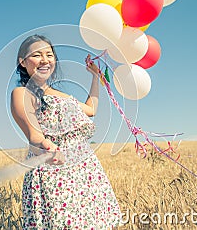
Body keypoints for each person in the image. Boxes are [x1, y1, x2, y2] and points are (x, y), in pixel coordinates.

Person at [10, 34, 121, 229]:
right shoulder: (22, 93)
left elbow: (91, 109)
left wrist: (95, 77)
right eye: (37, 55)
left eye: (49, 55)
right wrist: (48, 147)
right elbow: (34, 134)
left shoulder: (61, 95)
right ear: (23, 62)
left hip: (85, 170)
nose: (45, 60)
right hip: (55, 171)